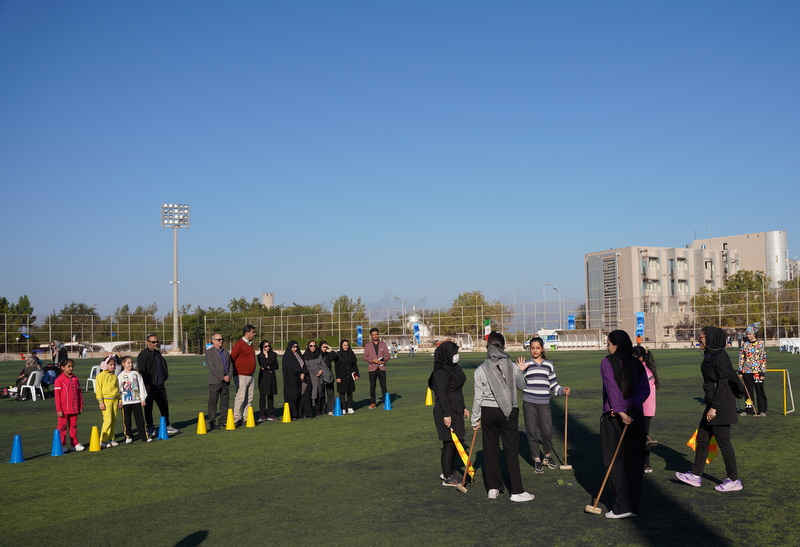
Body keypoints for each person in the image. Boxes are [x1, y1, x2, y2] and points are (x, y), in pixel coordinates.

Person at [676, 326, 744, 492]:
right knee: (703, 438)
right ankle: (696, 474)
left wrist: (713, 408)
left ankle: (734, 479)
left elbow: (723, 383)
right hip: (714, 403)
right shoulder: (712, 354)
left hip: (720, 405)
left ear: (712, 339)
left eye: (702, 337)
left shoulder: (720, 355)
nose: (699, 339)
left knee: (724, 442)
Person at [471, 332, 535, 502]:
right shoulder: (512, 366)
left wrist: (475, 418)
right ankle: (516, 491)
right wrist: (521, 371)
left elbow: (478, 397)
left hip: (488, 412)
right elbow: (523, 386)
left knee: (490, 451)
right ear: (503, 347)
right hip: (508, 412)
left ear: (488, 348)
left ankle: (493, 488)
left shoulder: (480, 369)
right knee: (511, 451)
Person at [599, 330, 650, 519]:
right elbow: (643, 392)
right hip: (634, 415)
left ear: (616, 345)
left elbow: (612, 387)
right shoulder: (637, 363)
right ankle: (632, 506)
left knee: (615, 461)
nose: (607, 347)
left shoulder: (607, 362)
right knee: (633, 461)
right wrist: (626, 407)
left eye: (609, 343)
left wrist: (620, 410)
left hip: (615, 417)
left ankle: (622, 507)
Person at [516, 336, 570, 474]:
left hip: (544, 403)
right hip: (529, 402)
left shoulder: (548, 364)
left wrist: (562, 390)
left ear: (542, 349)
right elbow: (519, 384)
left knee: (547, 431)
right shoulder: (526, 364)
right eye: (532, 348)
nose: (535, 351)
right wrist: (520, 371)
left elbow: (553, 384)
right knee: (532, 431)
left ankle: (547, 456)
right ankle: (536, 460)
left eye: (537, 348)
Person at [429, 341, 469, 487]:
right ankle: (447, 475)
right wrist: (446, 414)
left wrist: (463, 407)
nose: (456, 356)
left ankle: (450, 471)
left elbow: (457, 389)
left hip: (456, 409)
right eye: (454, 353)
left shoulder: (454, 368)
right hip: (446, 411)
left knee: (455, 441)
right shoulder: (440, 372)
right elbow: (442, 395)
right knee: (449, 442)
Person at [137, 334, 178, 436]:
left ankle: (167, 425)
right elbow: (142, 371)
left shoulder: (157, 353)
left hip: (160, 386)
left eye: (156, 342)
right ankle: (150, 427)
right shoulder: (143, 355)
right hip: (149, 387)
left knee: (164, 405)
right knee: (148, 408)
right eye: (153, 342)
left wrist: (164, 377)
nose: (155, 344)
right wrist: (147, 384)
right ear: (147, 343)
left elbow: (163, 366)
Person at [632, 345, 660, 473]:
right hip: (644, 408)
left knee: (643, 437)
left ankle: (646, 464)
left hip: (645, 409)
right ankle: (641, 462)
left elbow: (644, 392)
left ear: (641, 358)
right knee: (641, 436)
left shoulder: (644, 371)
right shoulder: (642, 369)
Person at [54, 359, 85, 452]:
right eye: (68, 366)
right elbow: (57, 397)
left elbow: (79, 393)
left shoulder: (75, 378)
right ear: (63, 368)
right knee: (62, 427)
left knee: (73, 426)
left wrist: (80, 406)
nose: (71, 368)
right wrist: (59, 409)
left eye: (72, 366)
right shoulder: (59, 380)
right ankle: (61, 445)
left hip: (74, 408)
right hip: (63, 409)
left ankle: (74, 443)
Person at [118, 356, 150, 443]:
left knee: (140, 419)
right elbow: (119, 389)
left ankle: (144, 437)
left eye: (131, 362)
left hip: (136, 400)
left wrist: (143, 399)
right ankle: (128, 436)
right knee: (127, 420)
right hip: (126, 401)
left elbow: (141, 386)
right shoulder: (120, 376)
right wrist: (120, 400)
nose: (130, 364)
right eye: (128, 363)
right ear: (123, 364)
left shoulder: (136, 374)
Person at [230, 325, 257, 427]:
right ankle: (237, 418)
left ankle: (247, 418)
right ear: (247, 333)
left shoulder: (250, 344)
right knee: (240, 398)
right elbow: (232, 358)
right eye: (252, 332)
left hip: (250, 375)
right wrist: (234, 373)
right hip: (241, 375)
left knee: (249, 398)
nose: (254, 334)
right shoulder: (239, 344)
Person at [738, 324, 767, 417]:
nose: (748, 335)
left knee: (759, 390)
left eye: (750, 334)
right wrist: (740, 371)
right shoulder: (744, 345)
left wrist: (762, 372)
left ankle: (762, 410)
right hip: (746, 371)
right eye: (747, 334)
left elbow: (763, 359)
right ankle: (748, 410)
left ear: (754, 334)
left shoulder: (760, 344)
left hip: (757, 372)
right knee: (748, 391)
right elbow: (741, 358)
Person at [205, 333, 232, 430]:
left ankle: (222, 421)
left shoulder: (225, 351)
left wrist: (228, 375)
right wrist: (222, 377)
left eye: (222, 339)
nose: (221, 341)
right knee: (213, 402)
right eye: (219, 339)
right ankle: (212, 422)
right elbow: (211, 367)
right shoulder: (209, 352)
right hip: (215, 381)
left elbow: (230, 364)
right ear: (213, 341)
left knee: (224, 402)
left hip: (226, 381)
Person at [95, 355, 121, 448]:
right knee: (107, 420)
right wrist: (100, 402)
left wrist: (120, 399)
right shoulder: (100, 376)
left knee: (113, 420)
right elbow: (98, 390)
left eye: (114, 365)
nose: (113, 366)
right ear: (105, 365)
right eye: (110, 365)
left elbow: (117, 388)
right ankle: (103, 440)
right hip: (106, 401)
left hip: (115, 400)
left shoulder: (114, 376)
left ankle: (111, 438)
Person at [363, 328, 391, 409]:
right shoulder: (368, 345)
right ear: (371, 336)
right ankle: (373, 403)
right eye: (373, 334)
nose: (375, 336)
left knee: (383, 386)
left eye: (376, 334)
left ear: (378, 335)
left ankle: (386, 402)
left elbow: (387, 355)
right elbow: (365, 357)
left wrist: (383, 361)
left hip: (381, 368)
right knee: (372, 386)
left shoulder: (383, 344)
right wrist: (372, 360)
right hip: (372, 368)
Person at [257, 339, 280, 422]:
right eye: (265, 346)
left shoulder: (273, 355)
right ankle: (262, 415)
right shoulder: (260, 356)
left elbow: (276, 366)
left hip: (271, 377)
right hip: (263, 377)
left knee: (271, 395)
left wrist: (268, 367)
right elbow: (263, 364)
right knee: (263, 396)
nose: (267, 348)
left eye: (268, 346)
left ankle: (271, 414)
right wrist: (266, 357)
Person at [282, 340, 305, 420]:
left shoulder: (298, 355)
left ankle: (299, 413)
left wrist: (303, 373)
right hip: (291, 381)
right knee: (291, 397)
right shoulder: (287, 357)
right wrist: (298, 374)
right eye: (293, 347)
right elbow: (289, 369)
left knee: (299, 396)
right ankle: (293, 414)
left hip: (299, 380)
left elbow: (303, 365)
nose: (294, 349)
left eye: (296, 347)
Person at [335, 339, 359, 414]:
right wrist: (337, 377)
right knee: (342, 393)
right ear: (341, 346)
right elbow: (336, 367)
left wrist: (356, 375)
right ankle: (343, 408)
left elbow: (354, 365)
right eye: (344, 345)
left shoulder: (351, 354)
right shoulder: (338, 354)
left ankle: (350, 407)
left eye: (347, 345)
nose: (346, 347)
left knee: (350, 392)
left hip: (350, 375)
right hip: (341, 376)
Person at [303, 340, 327, 416]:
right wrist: (316, 371)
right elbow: (306, 367)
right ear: (308, 346)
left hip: (319, 377)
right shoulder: (305, 356)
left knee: (319, 394)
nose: (313, 347)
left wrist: (321, 370)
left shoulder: (318, 354)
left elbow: (322, 364)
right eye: (311, 346)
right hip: (310, 377)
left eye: (314, 346)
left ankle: (318, 410)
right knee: (310, 395)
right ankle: (310, 412)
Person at [318, 340, 336, 415]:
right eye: (323, 347)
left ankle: (330, 409)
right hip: (321, 376)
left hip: (329, 376)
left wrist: (330, 348)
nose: (325, 349)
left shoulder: (328, 355)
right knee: (321, 394)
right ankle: (322, 409)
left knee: (330, 393)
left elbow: (335, 356)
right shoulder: (318, 355)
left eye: (326, 347)